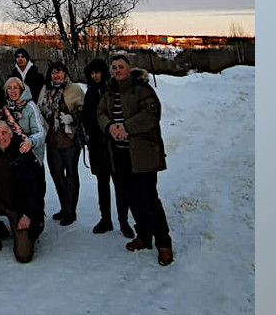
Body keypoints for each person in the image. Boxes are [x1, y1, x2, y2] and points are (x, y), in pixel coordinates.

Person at [96, 52, 174, 266]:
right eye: (114, 67)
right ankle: (144, 236)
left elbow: (150, 115)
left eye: (121, 66)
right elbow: (100, 112)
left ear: (129, 69)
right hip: (119, 155)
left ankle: (163, 243)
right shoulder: (109, 92)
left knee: (148, 199)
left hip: (142, 155)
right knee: (130, 198)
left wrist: (126, 127)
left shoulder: (142, 89)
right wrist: (110, 126)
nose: (117, 70)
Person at [0, 120, 47, 263]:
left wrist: (28, 215)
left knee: (23, 255)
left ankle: (29, 231)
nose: (1, 138)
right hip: (0, 200)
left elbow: (38, 188)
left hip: (21, 209)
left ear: (11, 133)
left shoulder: (23, 152)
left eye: (4, 133)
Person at [81, 57, 132, 236]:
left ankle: (123, 220)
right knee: (102, 183)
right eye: (92, 73)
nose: (95, 76)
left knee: (120, 183)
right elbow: (86, 117)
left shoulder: (112, 90)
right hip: (97, 145)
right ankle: (106, 219)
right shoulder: (90, 93)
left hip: (114, 144)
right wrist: (88, 133)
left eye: (98, 72)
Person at [38, 60, 85, 225]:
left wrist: (72, 117)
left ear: (65, 73)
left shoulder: (74, 90)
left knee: (70, 174)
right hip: (52, 138)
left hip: (69, 138)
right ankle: (64, 207)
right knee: (57, 174)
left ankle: (71, 210)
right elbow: (40, 110)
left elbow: (84, 112)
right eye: (53, 72)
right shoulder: (46, 89)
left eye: (59, 72)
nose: (56, 75)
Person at [3, 76, 47, 160]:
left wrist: (31, 141)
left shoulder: (30, 106)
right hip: (11, 153)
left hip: (30, 152)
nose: (12, 91)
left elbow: (41, 132)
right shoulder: (4, 107)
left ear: (21, 89)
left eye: (15, 88)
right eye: (9, 88)